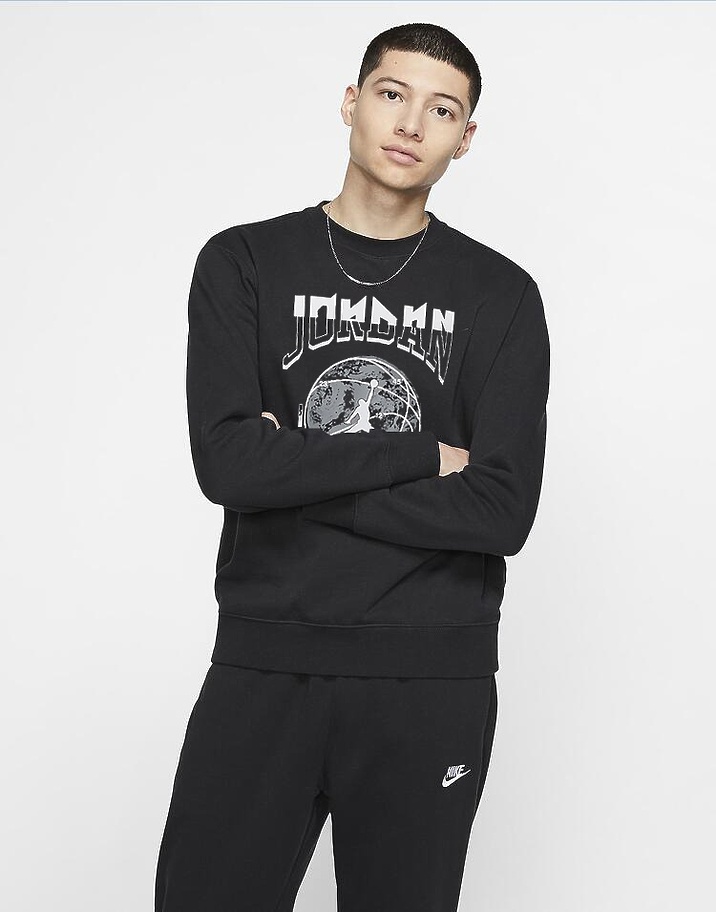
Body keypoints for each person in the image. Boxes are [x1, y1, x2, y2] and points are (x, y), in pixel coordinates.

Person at [154, 21, 550, 912]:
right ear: (351, 101)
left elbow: (501, 510)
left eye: (441, 109)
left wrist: (291, 472)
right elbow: (228, 463)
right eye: (391, 93)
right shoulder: (245, 263)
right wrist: (420, 457)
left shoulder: (501, 296)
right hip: (264, 661)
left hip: (430, 678)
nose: (410, 123)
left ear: (465, 138)